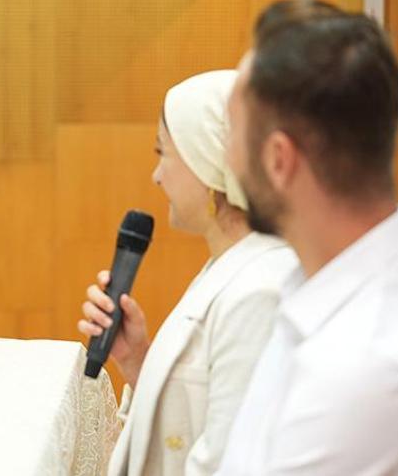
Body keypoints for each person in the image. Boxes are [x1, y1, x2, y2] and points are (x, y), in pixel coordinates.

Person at [218, 1, 398, 474]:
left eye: (232, 131)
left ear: (278, 160)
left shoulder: (364, 370)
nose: (228, 159)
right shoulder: (329, 296)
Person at [78, 70, 299, 476]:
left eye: (163, 153)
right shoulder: (231, 264)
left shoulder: (260, 292)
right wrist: (137, 359)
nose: (156, 175)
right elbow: (196, 415)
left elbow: (230, 463)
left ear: (207, 160)